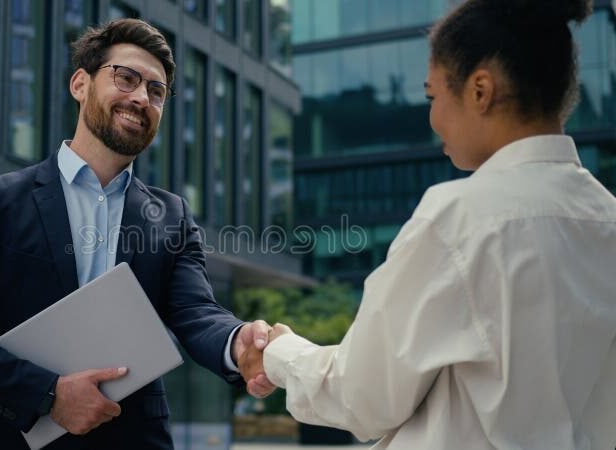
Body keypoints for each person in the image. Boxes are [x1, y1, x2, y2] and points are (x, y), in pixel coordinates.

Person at [238, 0, 616, 448]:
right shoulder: (606, 218)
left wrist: (280, 351)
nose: (432, 116)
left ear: (480, 90)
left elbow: (364, 395)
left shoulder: (460, 219)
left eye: (432, 96)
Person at [0, 18, 274, 450]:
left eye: (156, 92)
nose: (141, 97)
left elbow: (196, 313)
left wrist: (237, 342)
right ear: (80, 84)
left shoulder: (171, 215)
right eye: (127, 77)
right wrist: (48, 394)